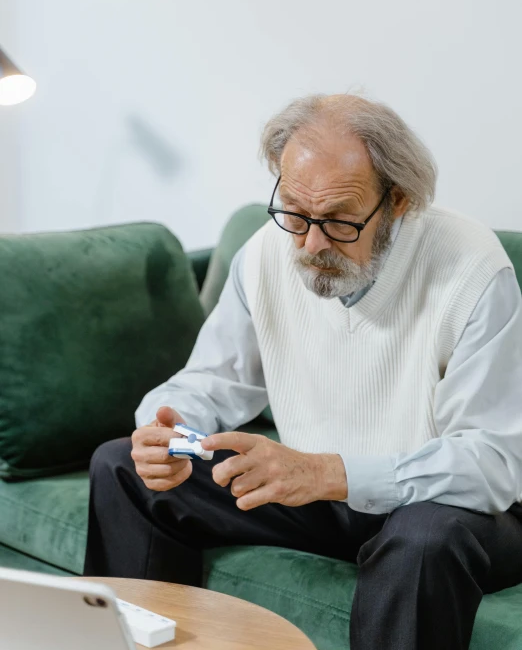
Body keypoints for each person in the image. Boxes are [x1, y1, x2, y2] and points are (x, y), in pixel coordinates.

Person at [84, 94, 522, 650]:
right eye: (294, 211)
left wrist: (328, 473)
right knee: (121, 465)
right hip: (317, 497)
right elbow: (213, 381)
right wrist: (165, 430)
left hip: (450, 510)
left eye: (339, 220)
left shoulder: (473, 271)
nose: (311, 244)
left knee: (424, 538)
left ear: (400, 201)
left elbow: (492, 464)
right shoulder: (266, 254)